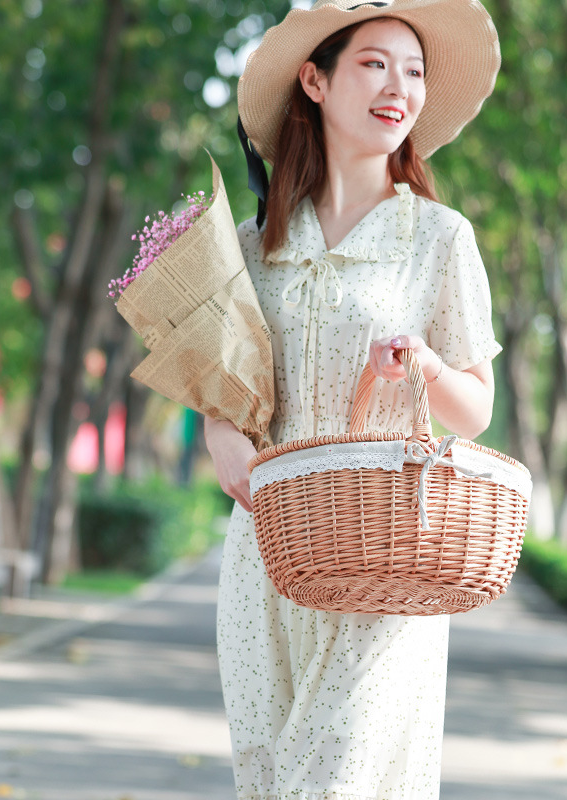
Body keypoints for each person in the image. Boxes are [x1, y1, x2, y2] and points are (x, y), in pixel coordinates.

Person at [204, 1, 502, 797]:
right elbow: (226, 398)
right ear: (315, 79)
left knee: (335, 775)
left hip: (387, 551)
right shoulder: (249, 243)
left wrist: (429, 366)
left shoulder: (441, 239)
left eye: (413, 71)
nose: (398, 87)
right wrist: (222, 441)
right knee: (270, 776)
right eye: (374, 63)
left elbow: (478, 408)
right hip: (268, 548)